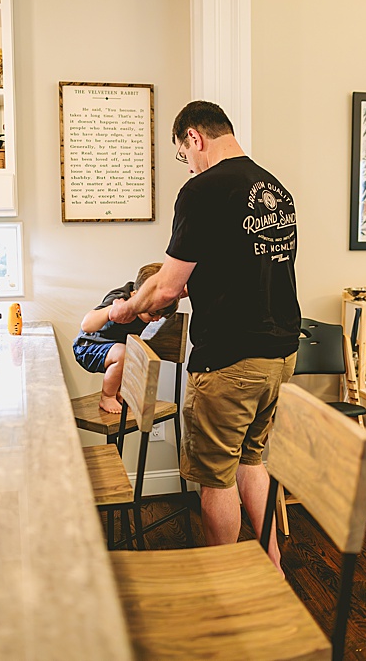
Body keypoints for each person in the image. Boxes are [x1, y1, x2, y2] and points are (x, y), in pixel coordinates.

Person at [108, 100, 300, 570]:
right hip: (280, 355)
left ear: (194, 137)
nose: (187, 164)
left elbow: (168, 287)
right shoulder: (274, 188)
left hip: (230, 361)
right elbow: (240, 270)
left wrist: (130, 307)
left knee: (215, 477)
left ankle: (223, 583)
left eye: (183, 153)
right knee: (252, 459)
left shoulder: (202, 191)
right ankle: (271, 561)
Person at [72, 262, 179, 413]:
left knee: (132, 351)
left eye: (161, 316)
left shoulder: (152, 303)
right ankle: (107, 396)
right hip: (87, 347)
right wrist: (111, 311)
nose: (156, 319)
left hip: (113, 350)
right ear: (136, 295)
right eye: (153, 314)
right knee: (123, 352)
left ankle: (119, 392)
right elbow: (87, 325)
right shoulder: (120, 299)